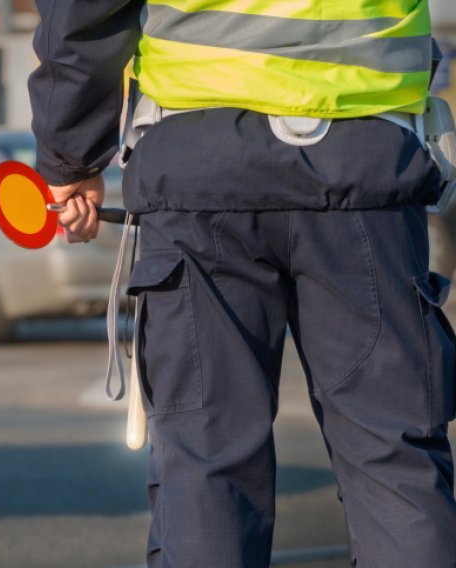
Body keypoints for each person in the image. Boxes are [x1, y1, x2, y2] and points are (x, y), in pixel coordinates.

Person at [28, 1, 456, 567]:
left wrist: (72, 155)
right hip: (368, 164)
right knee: (394, 461)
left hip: (197, 165)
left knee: (208, 462)